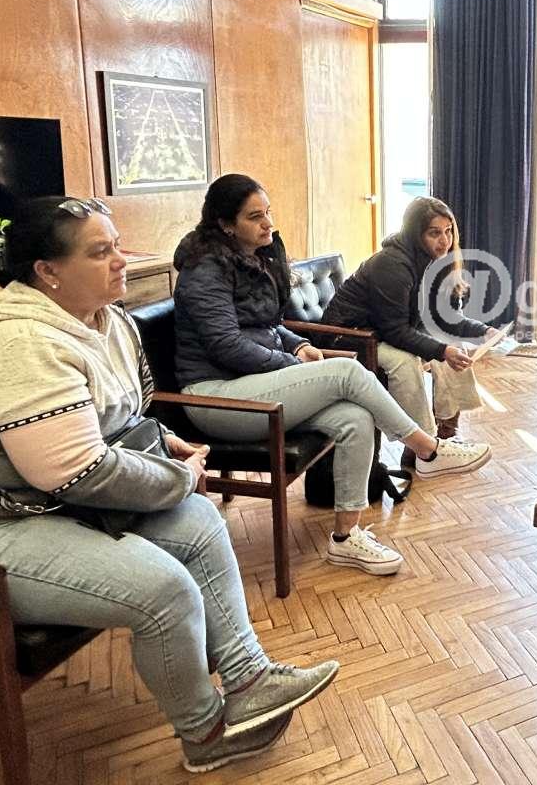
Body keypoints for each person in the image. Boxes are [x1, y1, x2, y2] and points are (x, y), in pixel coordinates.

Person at [0, 197, 338, 773]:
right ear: (47, 271)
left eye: (117, 245)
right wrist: (178, 478)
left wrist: (164, 439)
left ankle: (250, 678)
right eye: (100, 251)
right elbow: (76, 470)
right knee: (162, 589)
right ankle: (205, 733)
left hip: (41, 509)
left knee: (199, 522)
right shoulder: (21, 344)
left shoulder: (103, 321)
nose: (120, 260)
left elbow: (114, 419)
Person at [172, 175, 489, 575]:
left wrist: (298, 345)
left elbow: (268, 325)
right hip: (215, 397)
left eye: (268, 212)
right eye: (255, 217)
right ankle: (428, 450)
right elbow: (226, 346)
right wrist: (293, 364)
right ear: (225, 224)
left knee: (354, 418)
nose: (268, 223)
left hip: (251, 384)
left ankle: (345, 538)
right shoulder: (205, 270)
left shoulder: (250, 260)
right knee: (345, 371)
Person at [320, 196, 496, 469]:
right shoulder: (392, 264)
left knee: (451, 344)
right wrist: (441, 351)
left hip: (380, 332)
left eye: (448, 231)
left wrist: (483, 331)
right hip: (349, 336)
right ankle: (425, 448)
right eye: (434, 233)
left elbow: (446, 318)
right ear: (416, 233)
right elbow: (395, 331)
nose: (444, 241)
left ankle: (446, 435)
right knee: (405, 361)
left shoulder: (434, 261)